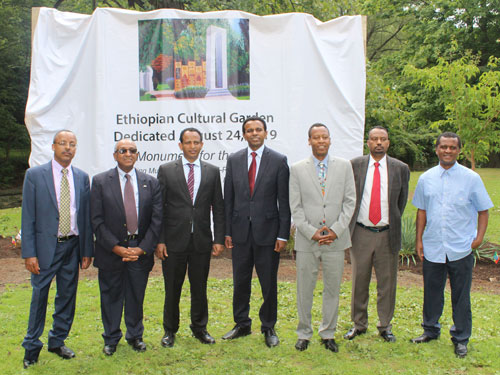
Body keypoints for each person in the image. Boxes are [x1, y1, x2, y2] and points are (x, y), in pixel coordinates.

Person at [410, 132, 493, 358]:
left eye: (452, 148)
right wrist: (419, 239)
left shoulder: (471, 178)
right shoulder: (426, 178)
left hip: (461, 247)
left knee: (461, 295)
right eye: (443, 147)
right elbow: (422, 211)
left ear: (459, 150)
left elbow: (483, 210)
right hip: (433, 245)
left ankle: (461, 337)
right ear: (436, 149)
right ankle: (430, 330)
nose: (448, 151)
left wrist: (478, 238)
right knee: (432, 291)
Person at [21, 130, 93, 369]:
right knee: (39, 296)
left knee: (67, 296)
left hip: (72, 246)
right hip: (44, 249)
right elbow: (28, 216)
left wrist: (87, 250)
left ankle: (57, 341)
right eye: (63, 143)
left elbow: (84, 217)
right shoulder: (35, 175)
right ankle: (31, 346)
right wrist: (29, 253)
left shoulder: (82, 177)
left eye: (72, 144)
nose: (68, 148)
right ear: (53, 147)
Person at [222, 116, 291, 348]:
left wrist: (283, 234)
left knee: (268, 283)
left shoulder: (279, 161)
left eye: (258, 129)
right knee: (240, 281)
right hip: (240, 233)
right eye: (249, 130)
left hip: (269, 235)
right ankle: (242, 324)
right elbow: (228, 199)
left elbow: (284, 201)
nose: (254, 133)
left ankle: (268, 326)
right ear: (244, 134)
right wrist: (227, 231)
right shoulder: (233, 160)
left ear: (265, 133)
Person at [91, 139, 162, 356]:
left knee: (135, 295)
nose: (128, 154)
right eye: (123, 150)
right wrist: (115, 247)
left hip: (139, 250)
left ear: (137, 155)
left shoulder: (150, 182)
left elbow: (157, 220)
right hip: (111, 251)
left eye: (132, 151)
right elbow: (96, 220)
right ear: (115, 155)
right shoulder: (101, 181)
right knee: (111, 295)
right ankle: (111, 338)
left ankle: (135, 336)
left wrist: (142, 249)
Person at [289, 123, 356, 352]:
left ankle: (328, 333)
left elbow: (350, 202)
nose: (320, 141)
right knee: (304, 288)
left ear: (330, 139)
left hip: (336, 239)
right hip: (308, 240)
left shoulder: (345, 166)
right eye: (316, 137)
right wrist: (311, 232)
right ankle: (304, 333)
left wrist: (335, 230)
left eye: (324, 137)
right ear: (309, 141)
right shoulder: (297, 169)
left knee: (332, 288)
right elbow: (295, 207)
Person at [155, 128, 224, 347]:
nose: (192, 146)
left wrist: (219, 239)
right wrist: (160, 239)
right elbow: (160, 208)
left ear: (202, 145)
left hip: (201, 241)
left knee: (199, 287)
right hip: (174, 241)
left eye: (196, 142)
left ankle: (199, 327)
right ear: (180, 145)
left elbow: (218, 208)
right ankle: (170, 330)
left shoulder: (212, 171)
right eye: (188, 142)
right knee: (172, 288)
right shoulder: (166, 170)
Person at [344, 126, 410, 342]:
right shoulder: (355, 165)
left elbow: (400, 203)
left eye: (383, 139)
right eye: (374, 139)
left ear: (388, 143)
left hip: (387, 233)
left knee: (387, 283)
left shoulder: (400, 168)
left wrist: (388, 223)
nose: (379, 142)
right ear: (368, 142)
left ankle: (385, 326)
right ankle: (359, 324)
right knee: (359, 281)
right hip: (361, 232)